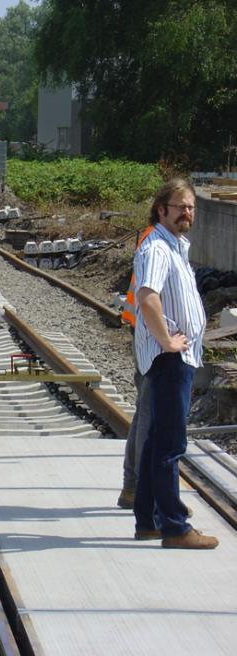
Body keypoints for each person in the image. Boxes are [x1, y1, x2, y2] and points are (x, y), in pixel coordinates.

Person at [132, 177, 218, 548]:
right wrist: (167, 341)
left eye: (191, 207)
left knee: (156, 442)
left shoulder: (174, 246)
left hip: (176, 357)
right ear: (161, 210)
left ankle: (148, 520)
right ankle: (175, 527)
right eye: (180, 207)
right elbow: (147, 296)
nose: (187, 213)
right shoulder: (156, 248)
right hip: (170, 358)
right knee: (170, 445)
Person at [117, 225, 155, 510]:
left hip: (144, 330)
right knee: (150, 413)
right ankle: (143, 489)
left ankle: (133, 487)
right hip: (152, 336)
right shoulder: (157, 242)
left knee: (145, 411)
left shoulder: (153, 237)